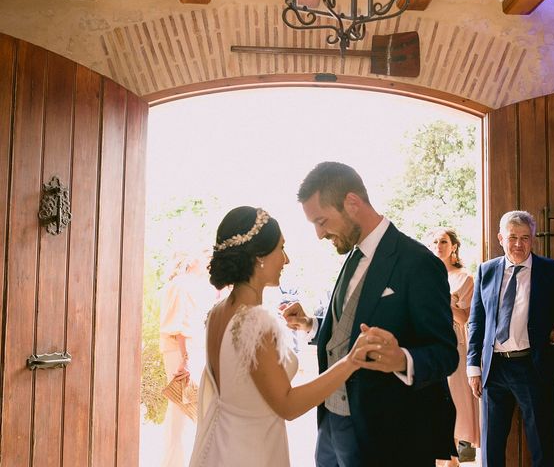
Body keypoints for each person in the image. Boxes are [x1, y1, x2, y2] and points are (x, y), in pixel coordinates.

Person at [282, 161, 459, 466]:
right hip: (330, 427)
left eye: (322, 221)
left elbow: (445, 353)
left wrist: (402, 359)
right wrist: (311, 325)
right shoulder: (352, 255)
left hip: (387, 437)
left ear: (352, 203)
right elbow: (350, 329)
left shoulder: (417, 263)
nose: (319, 234)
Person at [188, 206, 377, 467]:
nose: (285, 259)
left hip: (221, 444)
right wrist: (350, 363)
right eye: (281, 248)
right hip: (251, 452)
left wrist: (304, 324)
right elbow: (287, 405)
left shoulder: (219, 312)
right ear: (258, 257)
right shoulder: (254, 322)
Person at [466, 210, 554, 467]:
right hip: (494, 370)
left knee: (543, 445)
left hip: (533, 368)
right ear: (500, 238)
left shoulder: (551, 271)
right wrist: (473, 367)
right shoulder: (486, 270)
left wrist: (548, 367)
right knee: (491, 447)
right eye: (512, 237)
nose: (518, 244)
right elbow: (476, 321)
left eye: (525, 238)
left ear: (533, 239)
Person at [159, 249, 216, 467]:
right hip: (181, 352)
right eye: (206, 260)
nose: (209, 265)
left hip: (184, 351)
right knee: (181, 412)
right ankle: (174, 462)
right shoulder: (182, 285)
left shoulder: (183, 285)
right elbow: (181, 325)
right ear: (193, 261)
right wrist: (186, 359)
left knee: (183, 411)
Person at [429, 228, 480, 466]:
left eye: (444, 241)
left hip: (455, 346)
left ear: (454, 247)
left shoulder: (464, 278)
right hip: (429, 344)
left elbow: (465, 317)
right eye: (435, 241)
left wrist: (443, 299)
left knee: (454, 404)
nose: (439, 245)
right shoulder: (425, 275)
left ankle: (452, 459)